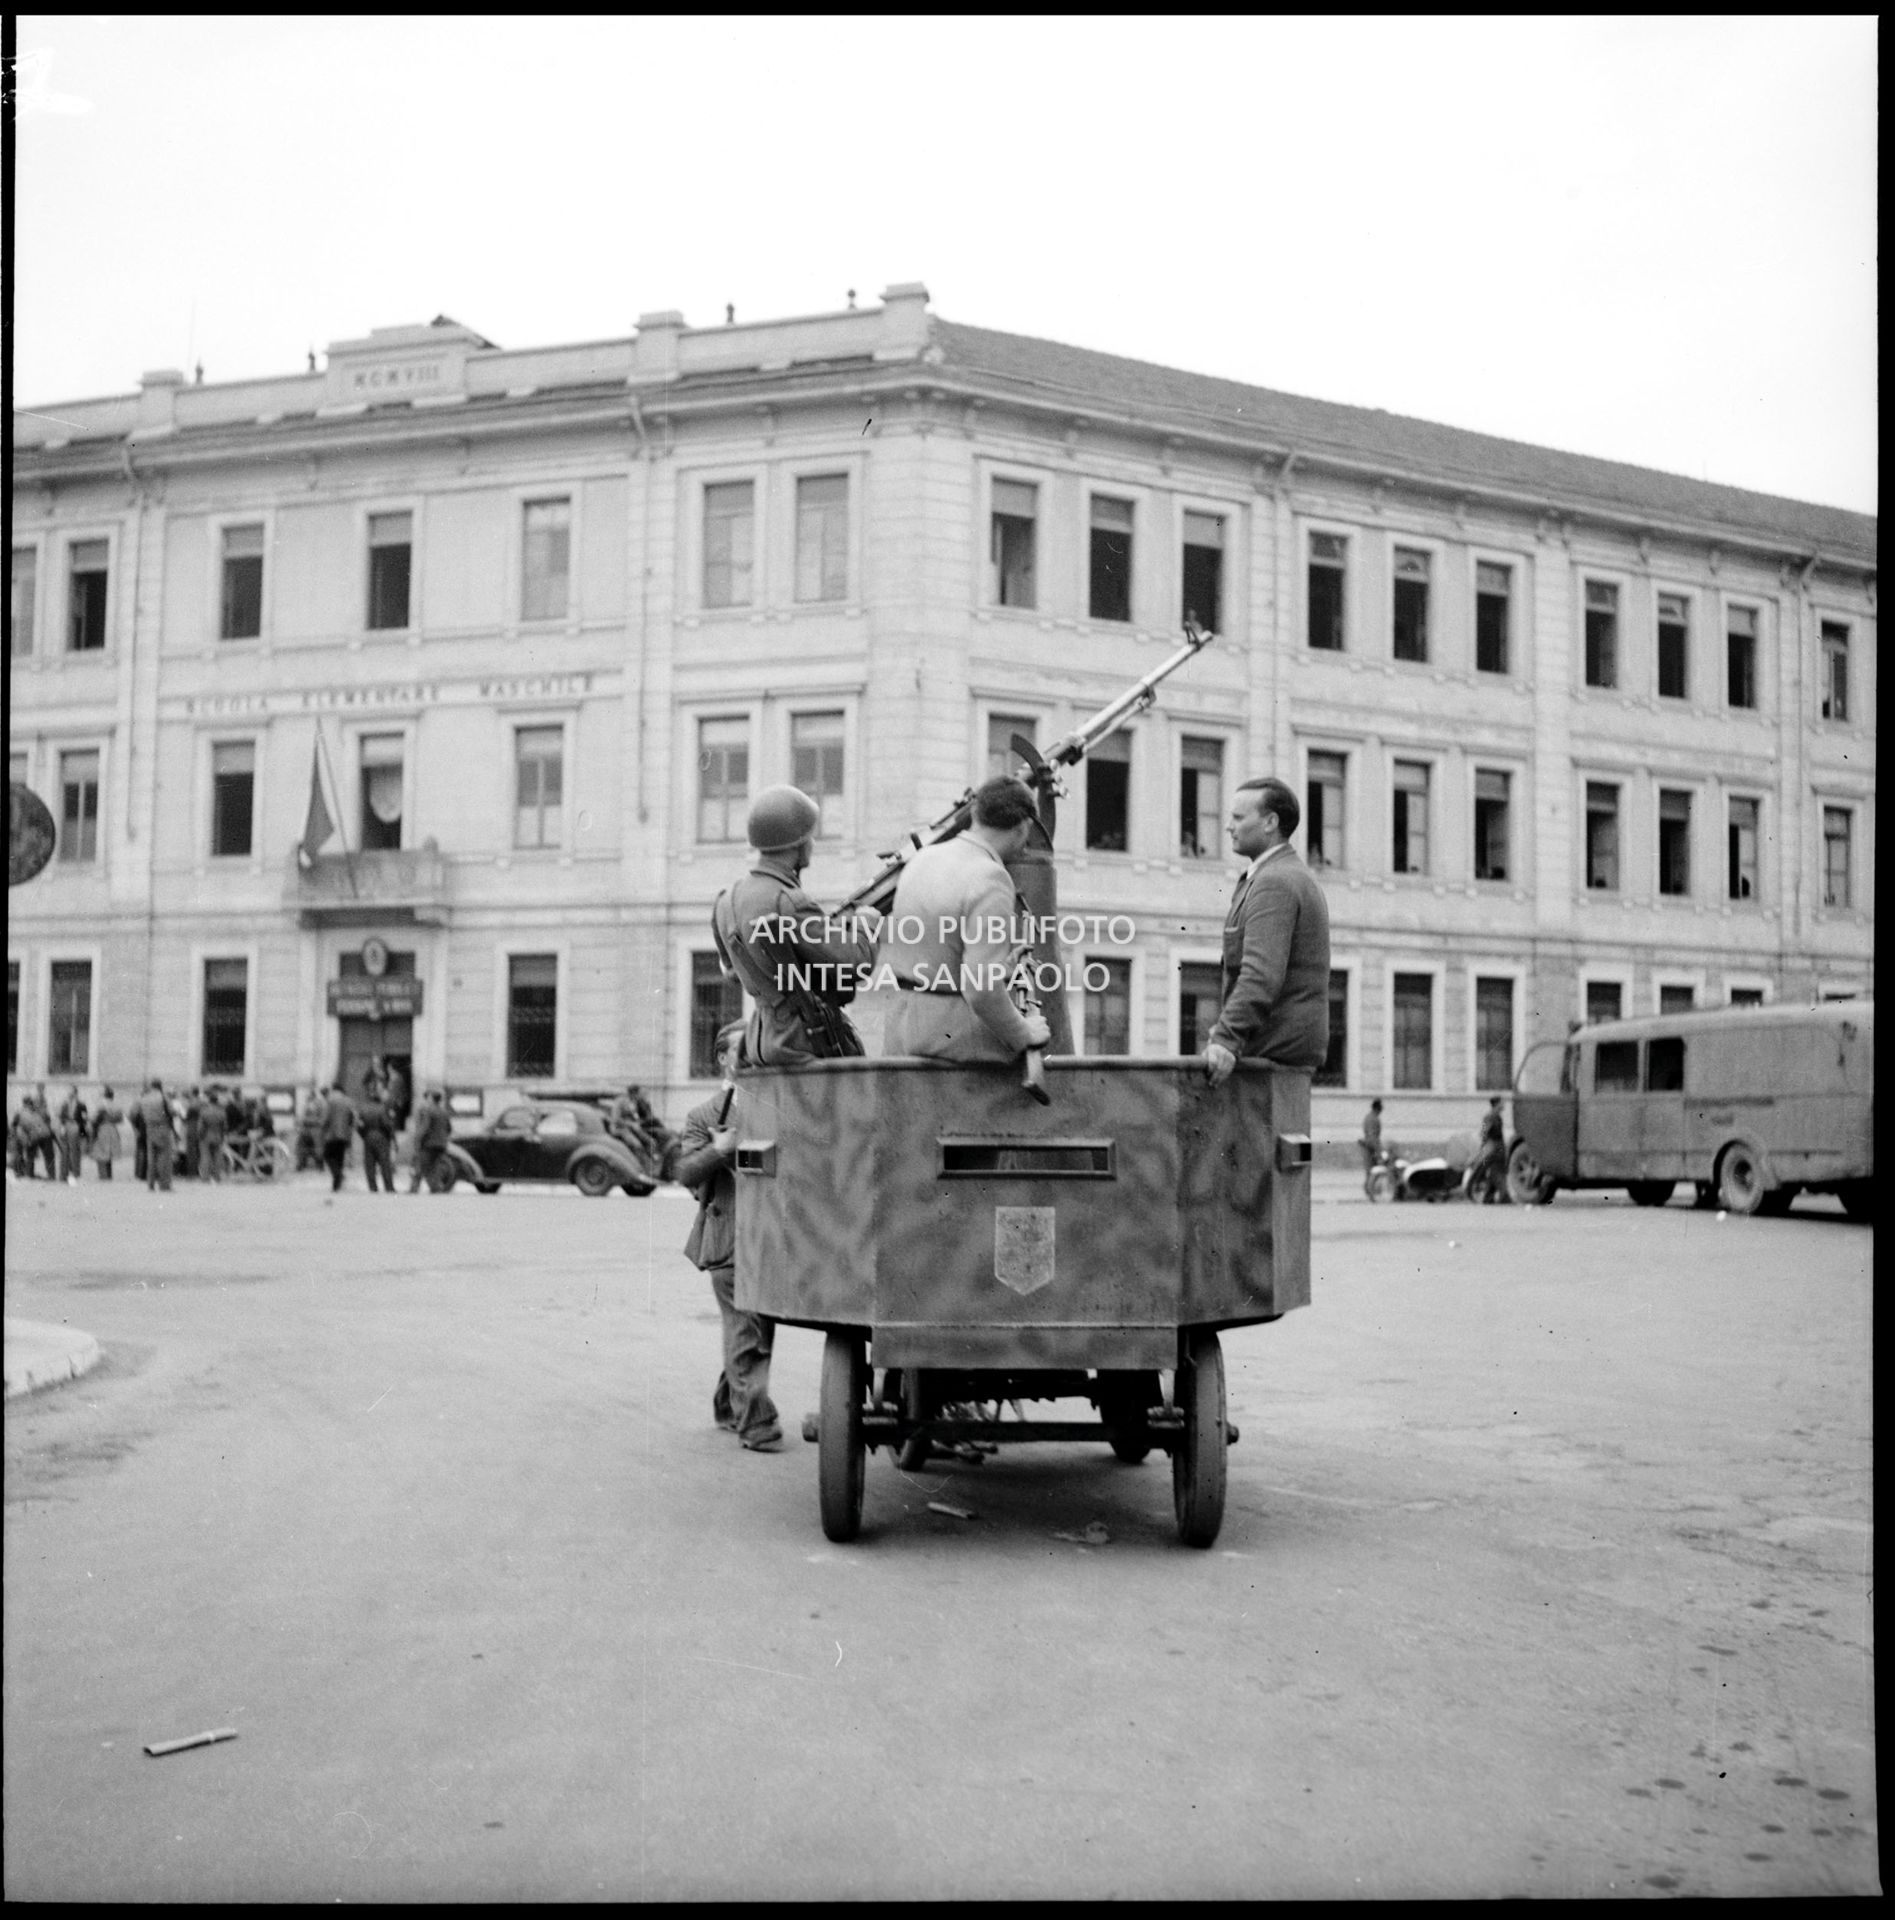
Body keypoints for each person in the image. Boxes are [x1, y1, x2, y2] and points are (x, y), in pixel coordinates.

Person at [877, 776, 1053, 1065]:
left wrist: (1002, 969)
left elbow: (935, 952)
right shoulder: (991, 878)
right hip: (951, 1041)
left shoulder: (922, 859)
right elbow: (982, 990)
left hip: (900, 1032)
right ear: (1025, 827)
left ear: (974, 814)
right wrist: (1024, 1034)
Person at [710, 785, 880, 1066]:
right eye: (809, 837)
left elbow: (732, 972)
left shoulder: (725, 901)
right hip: (805, 1043)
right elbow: (857, 962)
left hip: (762, 1042)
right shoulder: (791, 902)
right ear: (798, 843)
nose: (812, 843)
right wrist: (865, 924)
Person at [673, 1019, 782, 1452]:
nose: (752, 1059)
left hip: (772, 1237)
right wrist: (719, 1150)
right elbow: (684, 1173)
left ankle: (727, 1404)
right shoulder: (703, 1115)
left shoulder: (775, 1105)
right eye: (743, 1051)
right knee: (746, 1328)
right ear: (723, 1058)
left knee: (756, 1329)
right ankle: (756, 1422)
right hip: (730, 1238)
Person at [1203, 777, 1331, 1085]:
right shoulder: (1285, 874)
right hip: (1276, 1058)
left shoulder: (1274, 881)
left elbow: (1260, 974)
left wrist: (1225, 1038)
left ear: (1270, 822)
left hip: (1270, 1063)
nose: (1228, 826)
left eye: (1238, 817)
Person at [409, 1089, 454, 1193]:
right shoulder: (444, 1112)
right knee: (436, 1167)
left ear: (432, 1099)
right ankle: (436, 1188)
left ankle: (414, 1188)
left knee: (420, 1165)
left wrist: (417, 1140)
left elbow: (424, 1127)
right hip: (441, 1145)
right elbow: (449, 1128)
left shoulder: (429, 1111)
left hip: (429, 1144)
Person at [139, 1078, 176, 1191]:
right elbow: (172, 1111)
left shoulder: (145, 1097)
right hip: (162, 1127)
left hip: (149, 1128)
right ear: (160, 1085)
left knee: (151, 1156)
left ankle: (150, 1183)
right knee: (164, 1156)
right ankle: (164, 1184)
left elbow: (138, 1112)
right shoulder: (164, 1097)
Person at [358, 1083, 395, 1192]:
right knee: (385, 1163)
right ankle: (389, 1187)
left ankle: (372, 1187)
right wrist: (389, 1135)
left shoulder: (363, 1109)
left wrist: (364, 1135)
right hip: (381, 1137)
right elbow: (386, 1124)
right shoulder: (382, 1109)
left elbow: (359, 1126)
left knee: (369, 1164)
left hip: (368, 1137)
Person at [320, 1082, 357, 1192]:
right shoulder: (349, 1101)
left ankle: (338, 1175)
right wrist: (351, 1130)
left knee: (328, 1155)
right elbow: (353, 1117)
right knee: (339, 1158)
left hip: (332, 1134)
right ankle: (336, 1185)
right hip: (345, 1134)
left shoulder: (331, 1101)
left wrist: (322, 1126)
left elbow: (326, 1118)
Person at [57, 1087, 89, 1184]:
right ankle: (63, 1174)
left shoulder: (81, 1105)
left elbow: (84, 1118)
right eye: (68, 1092)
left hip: (75, 1126)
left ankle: (75, 1173)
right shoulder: (65, 1104)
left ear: (75, 1093)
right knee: (64, 1151)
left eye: (71, 1093)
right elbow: (61, 1116)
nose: (69, 1095)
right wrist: (62, 1127)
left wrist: (82, 1131)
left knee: (75, 1151)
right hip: (66, 1125)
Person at [90, 1089, 123, 1180]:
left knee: (101, 1153)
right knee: (109, 1154)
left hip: (103, 1129)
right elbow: (120, 1119)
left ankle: (103, 1175)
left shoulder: (101, 1106)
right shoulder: (116, 1106)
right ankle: (109, 1175)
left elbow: (94, 1119)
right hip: (112, 1129)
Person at [198, 1087, 228, 1180]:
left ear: (209, 1100)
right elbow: (225, 1127)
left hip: (206, 1136)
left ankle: (205, 1177)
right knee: (217, 1156)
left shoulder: (204, 1111)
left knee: (205, 1157)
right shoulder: (222, 1112)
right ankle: (217, 1176)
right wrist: (222, 1136)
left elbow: (200, 1127)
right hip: (218, 1135)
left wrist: (200, 1136)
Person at [1360, 1098, 1385, 1191]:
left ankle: (1370, 1189)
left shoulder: (1369, 1117)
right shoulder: (1373, 1119)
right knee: (1372, 1169)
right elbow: (1372, 1137)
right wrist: (1379, 1151)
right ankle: (1370, 1189)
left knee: (1370, 1169)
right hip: (1370, 1148)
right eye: (1381, 1108)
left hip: (1369, 1146)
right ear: (1378, 1108)